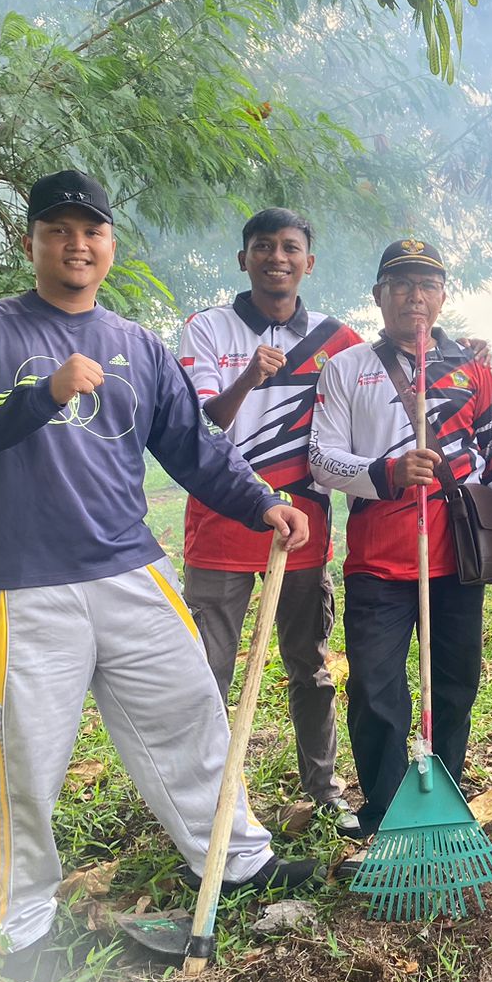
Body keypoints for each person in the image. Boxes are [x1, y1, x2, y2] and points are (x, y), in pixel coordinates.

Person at [0, 171, 316, 982]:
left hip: (131, 568)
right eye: (57, 229)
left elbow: (195, 446)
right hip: (15, 586)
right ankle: (22, 928)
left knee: (192, 716)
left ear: (110, 246)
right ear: (30, 243)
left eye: (90, 231)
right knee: (22, 762)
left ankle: (236, 862)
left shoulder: (136, 344)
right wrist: (42, 392)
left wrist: (261, 503)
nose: (76, 244)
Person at [308, 238, 492, 835]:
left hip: (458, 559)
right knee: (377, 694)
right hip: (379, 561)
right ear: (379, 296)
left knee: (456, 686)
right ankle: (382, 811)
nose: (415, 296)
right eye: (401, 284)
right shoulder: (348, 368)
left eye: (427, 284)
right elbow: (322, 459)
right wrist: (386, 472)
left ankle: (444, 806)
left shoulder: (472, 367)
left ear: (444, 295)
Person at [177, 209, 364, 836]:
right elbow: (198, 431)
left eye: (290, 248)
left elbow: (382, 399)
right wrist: (248, 379)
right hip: (220, 528)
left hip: (303, 532)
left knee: (310, 665)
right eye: (263, 246)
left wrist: (461, 350)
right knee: (209, 673)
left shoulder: (341, 342)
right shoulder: (206, 330)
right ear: (244, 259)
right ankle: (206, 802)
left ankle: (325, 789)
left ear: (309, 262)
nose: (276, 257)